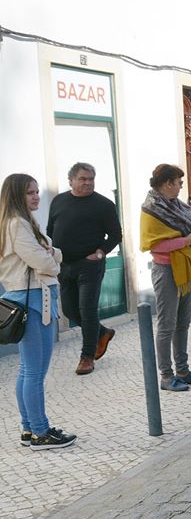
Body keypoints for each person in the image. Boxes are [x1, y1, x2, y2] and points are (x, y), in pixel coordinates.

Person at [0, 174, 76, 450]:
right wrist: (54, 259)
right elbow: (43, 261)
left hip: (30, 298)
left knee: (28, 369)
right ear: (16, 196)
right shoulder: (17, 224)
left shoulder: (20, 223)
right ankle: (40, 432)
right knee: (34, 371)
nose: (36, 196)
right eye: (29, 193)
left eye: (36, 191)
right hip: (31, 300)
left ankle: (29, 428)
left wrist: (51, 254)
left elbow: (50, 252)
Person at [139, 164, 191, 392]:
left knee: (183, 322)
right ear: (167, 183)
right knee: (167, 324)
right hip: (167, 270)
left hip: (185, 267)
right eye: (179, 182)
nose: (181, 187)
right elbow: (154, 244)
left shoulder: (174, 205)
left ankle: (183, 369)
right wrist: (188, 240)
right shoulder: (151, 208)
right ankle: (167, 376)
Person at [46, 162, 122, 375]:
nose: (87, 183)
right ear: (71, 180)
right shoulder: (59, 201)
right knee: (70, 311)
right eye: (82, 179)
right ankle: (102, 332)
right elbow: (50, 230)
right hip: (64, 265)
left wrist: (98, 254)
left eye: (90, 179)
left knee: (87, 311)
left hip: (90, 266)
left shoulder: (103, 204)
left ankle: (86, 357)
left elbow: (116, 235)